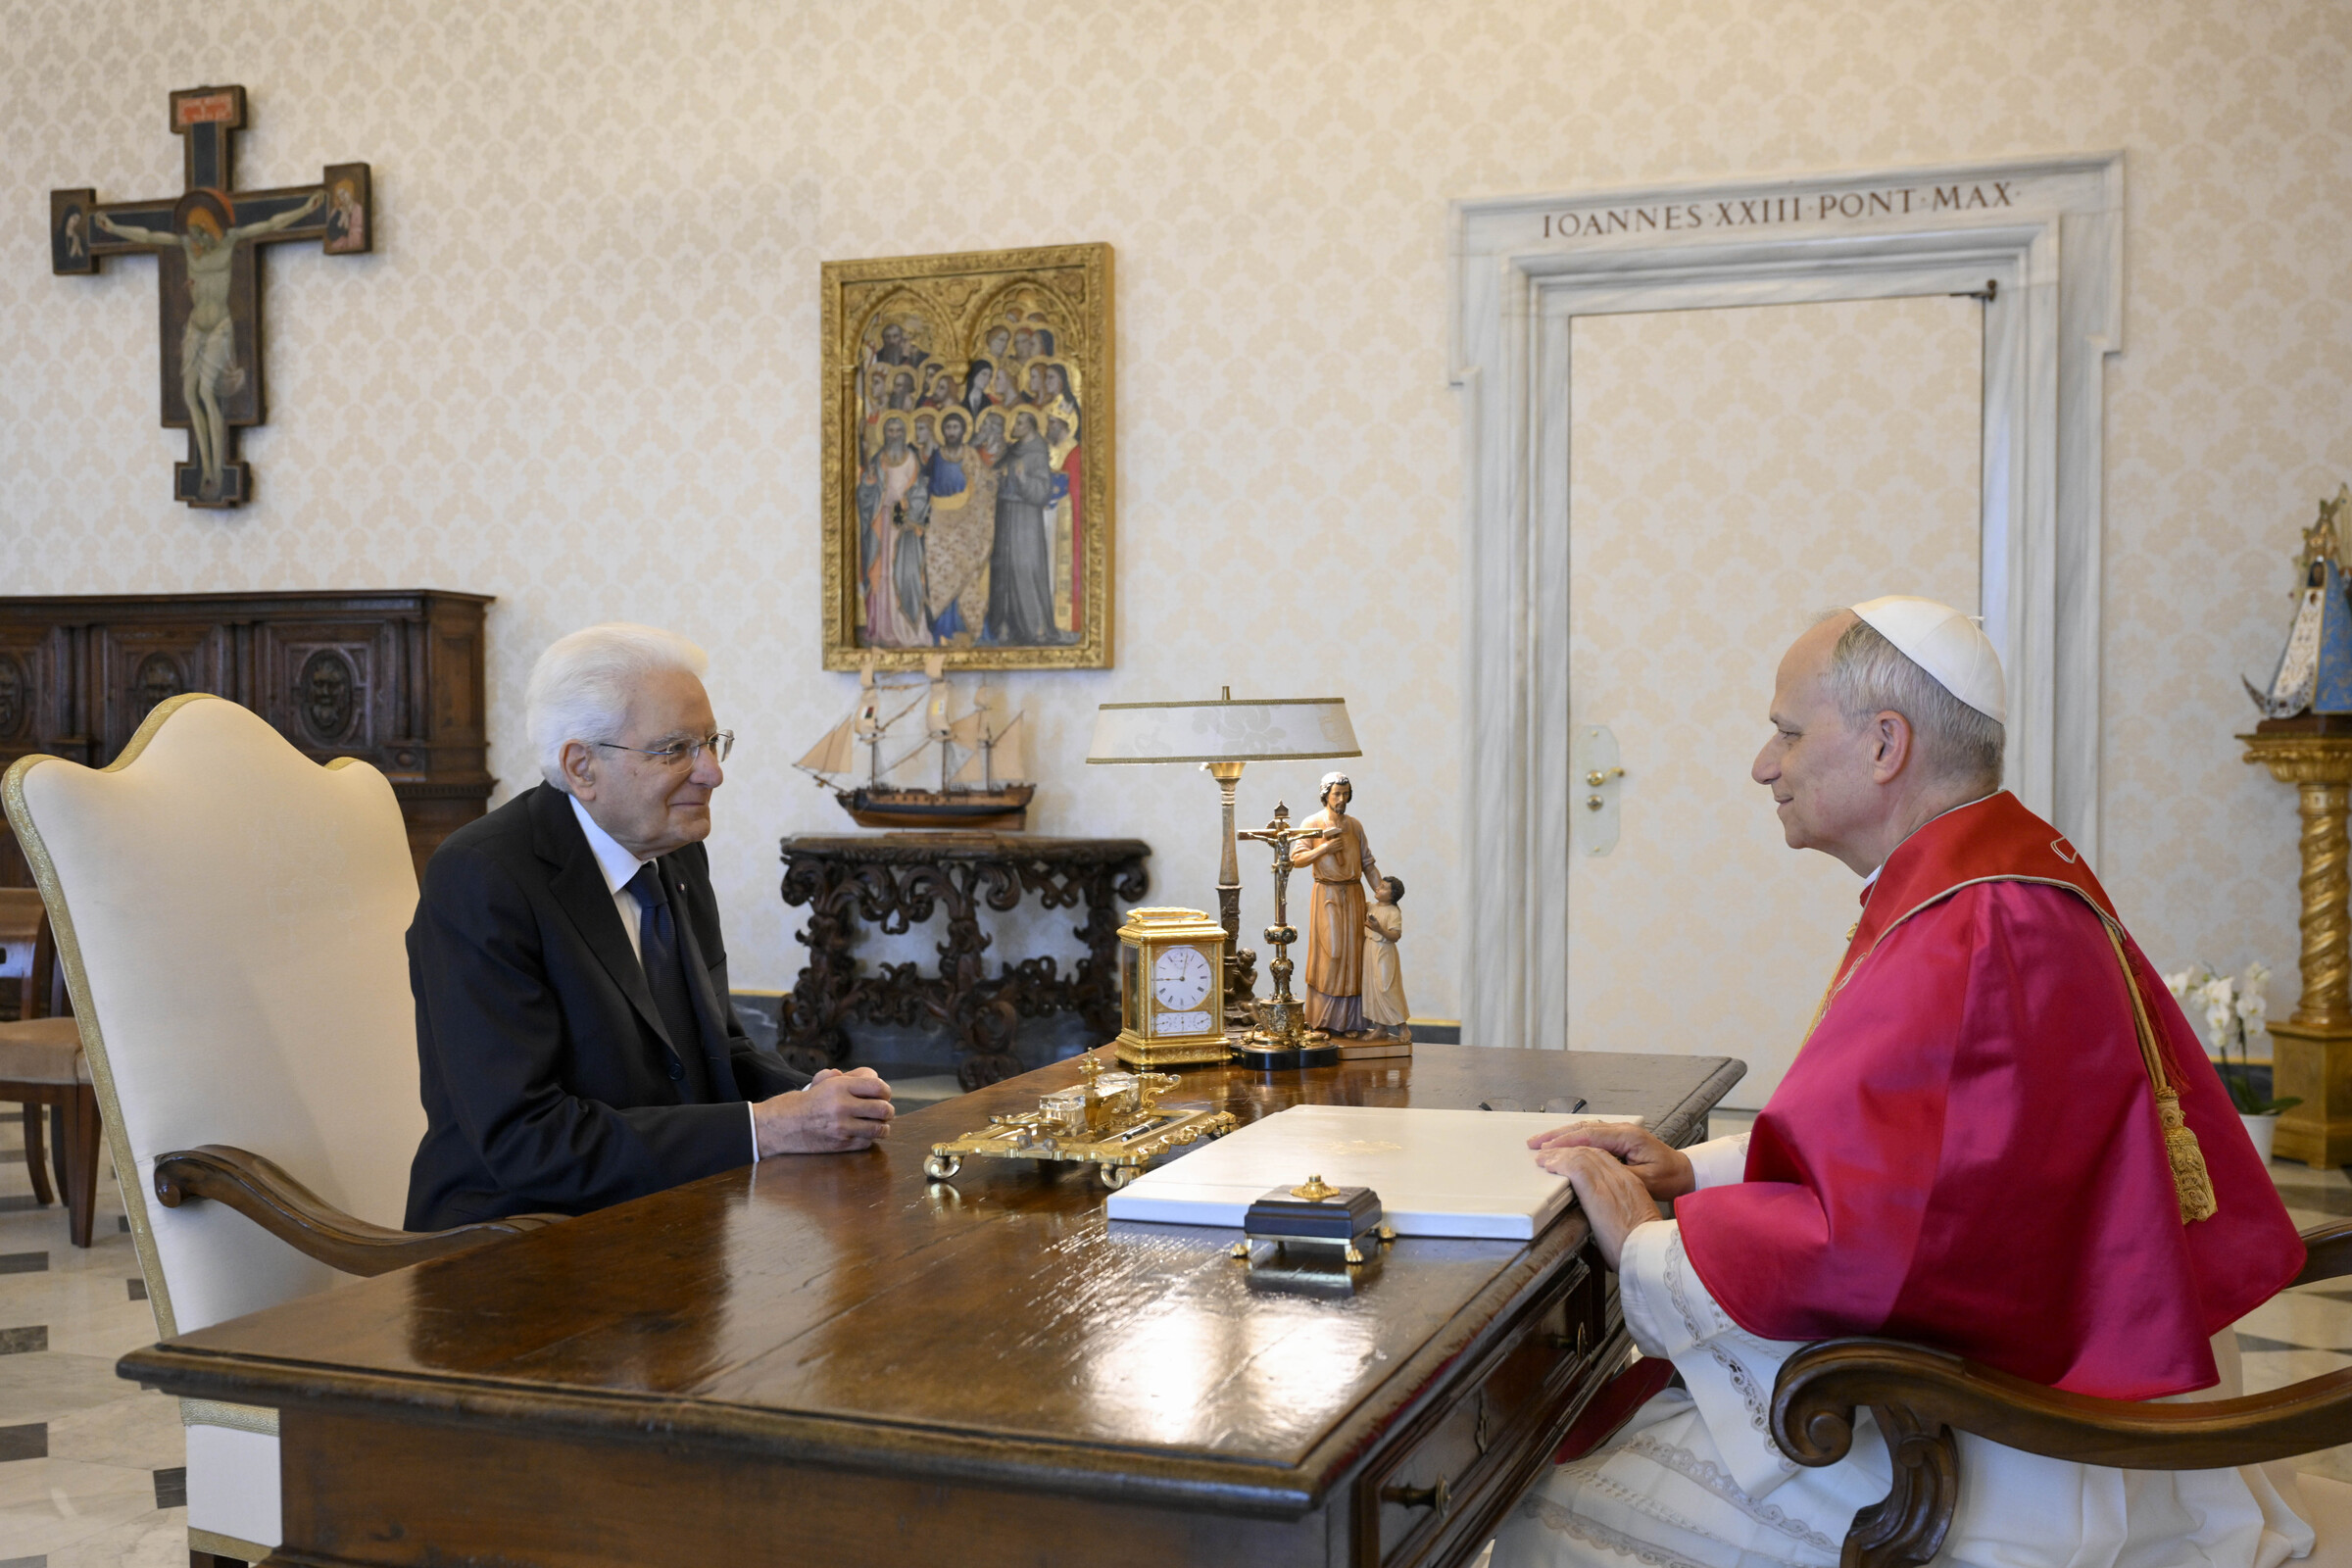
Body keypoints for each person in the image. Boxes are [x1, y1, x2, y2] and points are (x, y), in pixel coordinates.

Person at [1494, 599, 2311, 1568]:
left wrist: (1648, 1246)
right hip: (2043, 1398)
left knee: (1545, 1500)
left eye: (1788, 733)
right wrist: (1700, 1174)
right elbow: (1931, 1168)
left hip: (2011, 1464)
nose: (1766, 764)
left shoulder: (1975, 928)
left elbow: (1888, 1246)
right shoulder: (2000, 880)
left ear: (1887, 745)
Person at [406, 624, 895, 1227]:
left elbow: (721, 1048)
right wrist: (769, 1127)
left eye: (712, 743)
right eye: (675, 750)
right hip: (516, 1242)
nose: (712, 773)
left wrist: (821, 1099)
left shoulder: (676, 851)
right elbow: (527, 1142)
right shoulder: (482, 879)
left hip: (669, 1212)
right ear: (581, 766)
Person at [96, 189, 321, 502]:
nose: (194, 243)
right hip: (195, 326)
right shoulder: (189, 246)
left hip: (219, 326)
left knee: (205, 392)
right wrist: (114, 228)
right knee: (189, 394)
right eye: (190, 236)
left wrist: (305, 209)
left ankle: (214, 470)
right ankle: (205, 469)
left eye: (197, 235)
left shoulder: (228, 242)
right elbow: (149, 236)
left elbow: (270, 224)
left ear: (209, 229)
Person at [1289, 773, 1384, 1035]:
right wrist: (1325, 848)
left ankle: (1351, 1022)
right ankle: (1322, 1020)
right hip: (1327, 893)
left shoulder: (1354, 825)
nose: (1342, 799)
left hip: (1353, 894)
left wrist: (1383, 894)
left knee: (1354, 955)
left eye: (1346, 793)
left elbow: (1368, 864)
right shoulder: (1312, 823)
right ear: (1325, 795)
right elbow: (1297, 859)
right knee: (1332, 952)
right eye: (1337, 794)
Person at [984, 408, 1062, 645]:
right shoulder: (1012, 450)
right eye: (1014, 422)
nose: (1014, 426)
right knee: (1004, 570)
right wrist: (997, 480)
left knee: (1025, 568)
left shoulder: (1038, 452)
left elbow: (1042, 490)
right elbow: (996, 477)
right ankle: (1004, 626)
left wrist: (1023, 479)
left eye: (1019, 422)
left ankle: (1035, 626)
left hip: (1026, 518)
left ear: (1030, 425)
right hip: (1005, 514)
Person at [1361, 875, 1408, 1040]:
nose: (1377, 889)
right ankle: (1380, 1027)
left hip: (1385, 951)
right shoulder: (1371, 907)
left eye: (1382, 887)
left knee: (1386, 988)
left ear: (1392, 894)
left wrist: (1379, 929)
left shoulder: (1394, 912)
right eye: (1379, 886)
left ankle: (1403, 1027)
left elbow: (1395, 935)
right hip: (1370, 949)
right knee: (1372, 988)